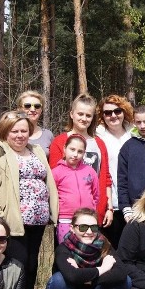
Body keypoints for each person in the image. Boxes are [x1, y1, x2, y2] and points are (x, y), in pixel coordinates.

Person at [0, 111, 58, 289]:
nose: (20, 135)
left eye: (24, 131)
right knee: (17, 264)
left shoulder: (36, 150)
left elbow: (47, 180)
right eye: (15, 131)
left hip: (38, 221)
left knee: (31, 264)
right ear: (5, 131)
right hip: (12, 222)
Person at [49, 94, 113, 228]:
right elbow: (53, 181)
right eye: (80, 114)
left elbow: (106, 177)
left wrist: (109, 207)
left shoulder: (99, 143)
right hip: (67, 216)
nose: (84, 119)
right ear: (72, 114)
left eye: (88, 115)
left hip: (94, 212)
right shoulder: (60, 142)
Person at [95, 95, 134, 247]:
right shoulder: (98, 136)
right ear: (102, 116)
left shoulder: (134, 133)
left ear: (124, 112)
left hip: (133, 202)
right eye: (107, 113)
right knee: (110, 248)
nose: (113, 116)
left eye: (117, 111)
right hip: (110, 202)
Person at [52, 134, 99, 242]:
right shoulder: (56, 172)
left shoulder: (89, 171)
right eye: (72, 149)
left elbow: (96, 194)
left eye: (80, 151)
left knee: (86, 250)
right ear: (64, 149)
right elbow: (52, 197)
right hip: (66, 219)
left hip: (87, 219)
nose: (75, 154)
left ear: (84, 153)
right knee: (67, 250)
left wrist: (91, 209)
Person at [17, 90, 53, 156]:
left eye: (37, 106)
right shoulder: (7, 131)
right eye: (27, 106)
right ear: (19, 109)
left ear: (41, 110)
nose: (33, 110)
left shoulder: (48, 135)